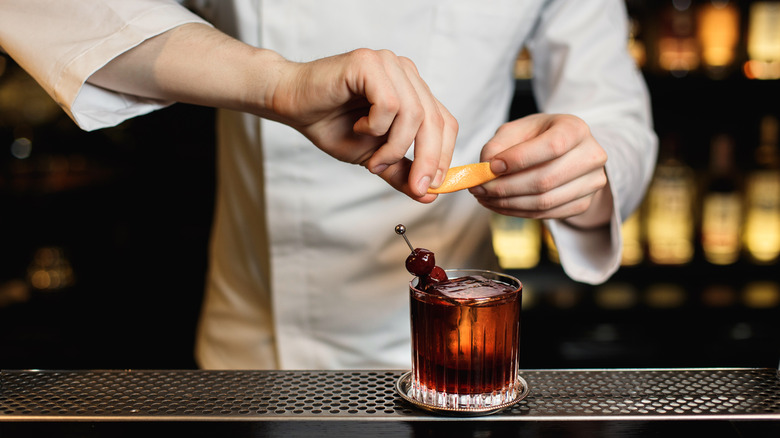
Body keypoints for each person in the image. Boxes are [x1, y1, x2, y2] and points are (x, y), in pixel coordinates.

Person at [0, 0, 657, 370]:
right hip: (253, 346)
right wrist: (278, 83)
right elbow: (69, 12)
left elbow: (615, 116)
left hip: (454, 351)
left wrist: (583, 172)